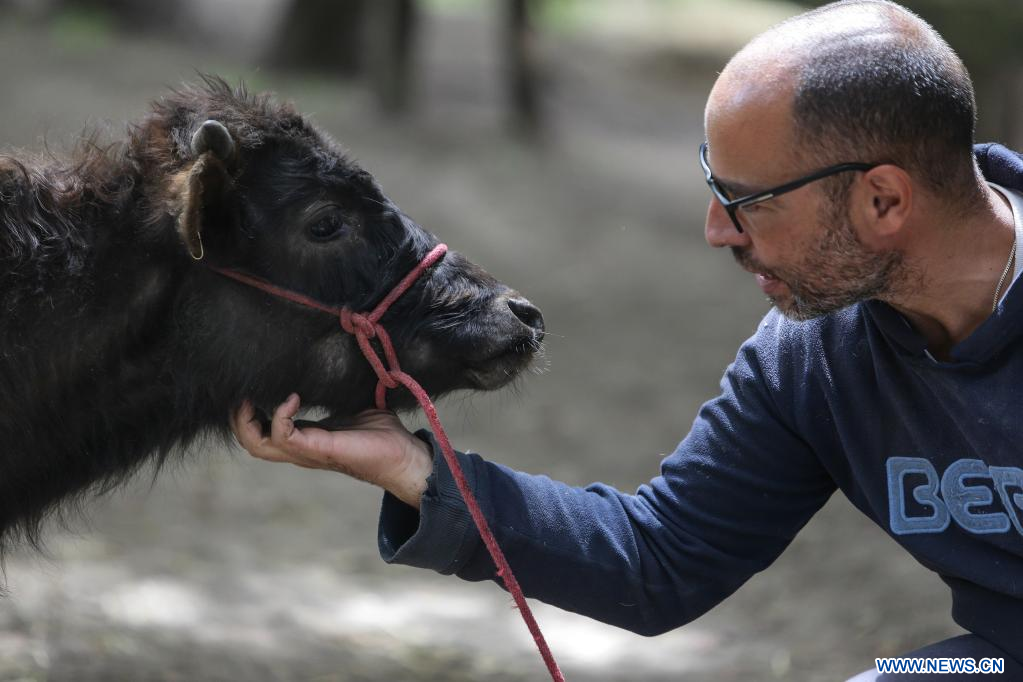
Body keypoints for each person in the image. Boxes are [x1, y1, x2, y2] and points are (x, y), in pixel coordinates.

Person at [231, 1, 1023, 679]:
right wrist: (416, 469)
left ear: (883, 201)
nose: (715, 232)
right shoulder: (813, 360)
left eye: (746, 201)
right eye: (714, 188)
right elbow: (657, 558)